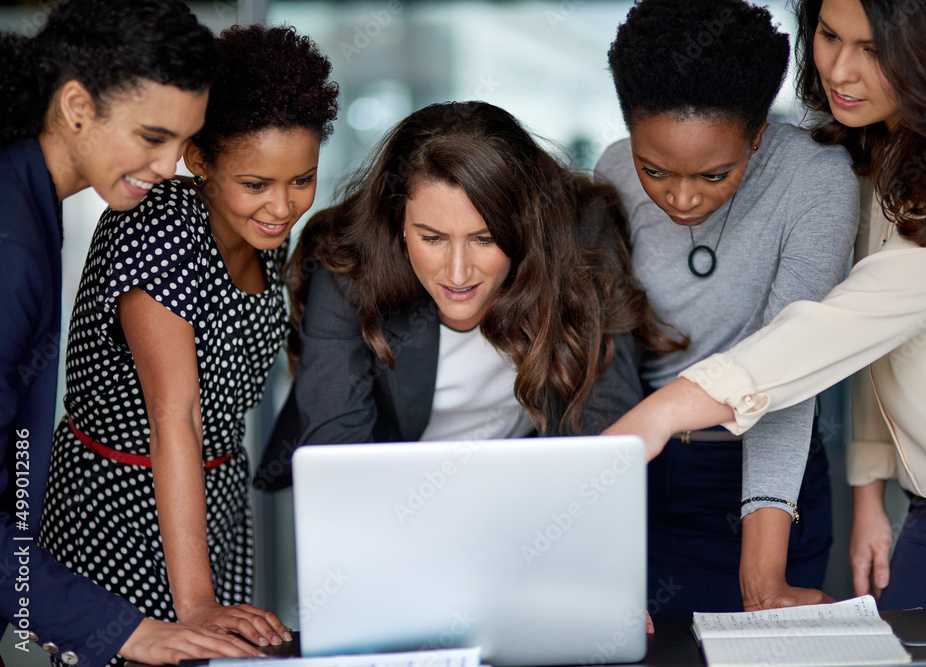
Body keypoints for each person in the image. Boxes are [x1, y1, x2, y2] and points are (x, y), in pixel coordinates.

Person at [606, 0, 926, 660]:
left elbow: (842, 326)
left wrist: (662, 410)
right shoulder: (882, 151)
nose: (841, 69)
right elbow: (889, 344)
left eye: (874, 49)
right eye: (828, 35)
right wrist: (870, 488)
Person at [35, 24, 338, 664]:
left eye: (301, 180)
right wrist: (197, 602)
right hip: (119, 512)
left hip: (214, 508)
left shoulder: (265, 231)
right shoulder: (162, 225)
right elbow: (178, 418)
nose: (282, 206)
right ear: (198, 159)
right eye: (255, 183)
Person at [0, 1, 271, 665]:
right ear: (77, 107)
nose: (169, 166)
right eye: (152, 137)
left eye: (184, 143)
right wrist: (123, 627)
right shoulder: (12, 244)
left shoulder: (30, 199)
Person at [253, 101, 679, 491]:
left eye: (485, 238)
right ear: (398, 220)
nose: (458, 273)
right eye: (432, 238)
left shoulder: (581, 234)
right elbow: (339, 463)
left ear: (525, 225)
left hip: (532, 497)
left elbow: (604, 434)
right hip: (394, 501)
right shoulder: (346, 262)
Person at [596, 0, 859, 619]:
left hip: (773, 485)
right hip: (650, 473)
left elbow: (789, 370)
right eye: (653, 168)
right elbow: (605, 364)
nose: (682, 198)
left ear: (759, 136)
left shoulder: (815, 177)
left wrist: (761, 576)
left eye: (716, 174)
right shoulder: (610, 171)